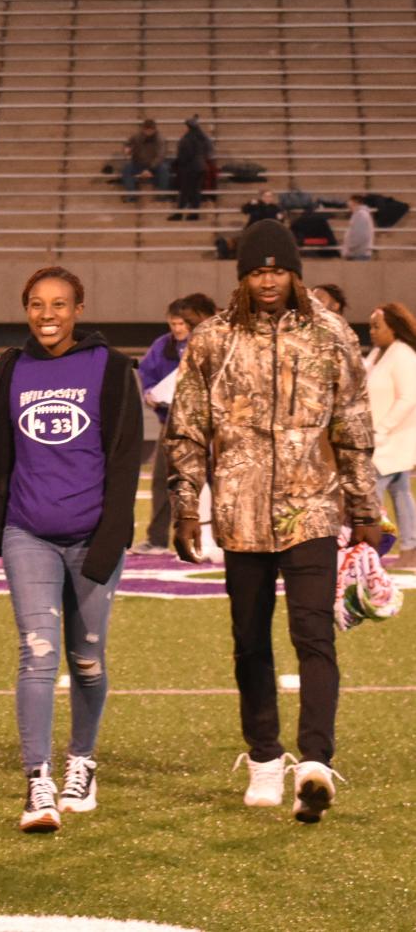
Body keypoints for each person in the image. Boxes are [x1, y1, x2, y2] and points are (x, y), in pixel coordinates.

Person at [166, 219, 381, 824]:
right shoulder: (213, 339)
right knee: (249, 641)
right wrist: (187, 504)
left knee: (314, 636)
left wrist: (365, 508)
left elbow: (355, 427)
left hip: (311, 508)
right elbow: (186, 429)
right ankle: (264, 755)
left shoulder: (331, 334)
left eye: (277, 270)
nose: (267, 281)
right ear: (242, 274)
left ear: (294, 272)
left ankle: (314, 762)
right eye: (256, 271)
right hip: (239, 514)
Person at [0, 268, 142, 833]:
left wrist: (109, 541)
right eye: (38, 304)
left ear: (79, 309)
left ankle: (82, 761)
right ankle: (37, 781)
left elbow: (123, 460)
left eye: (60, 304)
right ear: (26, 309)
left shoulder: (111, 368)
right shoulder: (7, 370)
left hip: (94, 537)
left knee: (87, 661)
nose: (49, 314)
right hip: (28, 534)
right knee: (37, 655)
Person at [133, 296, 211, 554]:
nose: (177, 328)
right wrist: (149, 393)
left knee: (213, 480)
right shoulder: (162, 346)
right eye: (173, 323)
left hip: (207, 424)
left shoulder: (205, 342)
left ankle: (218, 536)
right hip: (172, 423)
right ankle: (156, 539)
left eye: (182, 323)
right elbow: (147, 374)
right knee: (162, 481)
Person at [365, 302, 416, 568]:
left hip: (390, 440)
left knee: (368, 496)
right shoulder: (377, 354)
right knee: (400, 493)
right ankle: (410, 549)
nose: (372, 331)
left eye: (377, 326)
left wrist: (382, 429)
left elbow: (409, 397)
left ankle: (368, 550)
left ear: (394, 328)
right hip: (382, 440)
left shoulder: (404, 355)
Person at [168, 115, 213, 221]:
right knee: (195, 191)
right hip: (200, 167)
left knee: (185, 192)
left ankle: (179, 214)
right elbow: (208, 152)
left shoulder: (187, 139)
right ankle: (194, 214)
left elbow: (184, 156)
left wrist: (175, 164)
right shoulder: (202, 137)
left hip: (189, 168)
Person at [120, 119, 167, 201]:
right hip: (138, 164)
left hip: (154, 165)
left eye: (151, 130)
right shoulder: (137, 136)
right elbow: (128, 144)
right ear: (143, 129)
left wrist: (149, 169)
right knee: (127, 168)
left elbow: (160, 156)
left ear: (154, 129)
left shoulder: (160, 139)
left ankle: (162, 195)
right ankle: (132, 195)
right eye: (146, 130)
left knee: (164, 169)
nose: (148, 132)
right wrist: (127, 149)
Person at [343, 194, 375, 260]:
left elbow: (361, 235)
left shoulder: (361, 215)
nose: (348, 204)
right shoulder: (359, 214)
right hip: (358, 253)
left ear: (355, 202)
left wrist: (349, 246)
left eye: (349, 201)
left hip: (358, 253)